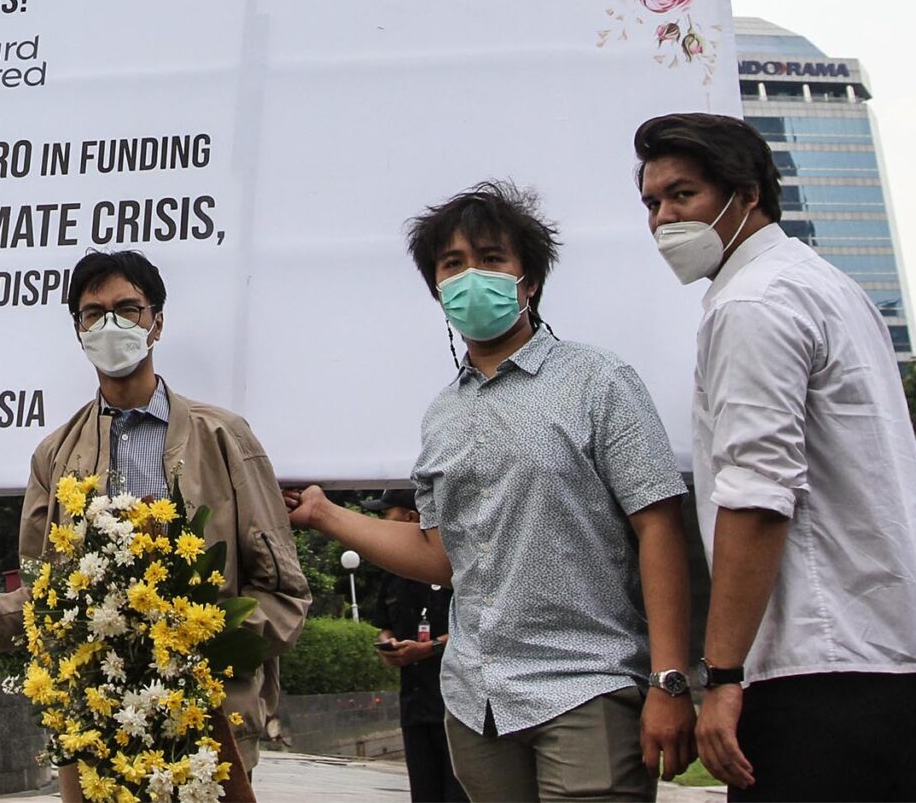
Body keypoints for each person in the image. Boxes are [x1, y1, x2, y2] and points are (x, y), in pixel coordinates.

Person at [289, 182, 696, 802]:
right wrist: (324, 514)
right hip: (476, 704)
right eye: (452, 265)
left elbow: (659, 527)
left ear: (527, 278)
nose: (470, 275)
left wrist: (669, 681)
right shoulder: (442, 415)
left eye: (491, 257)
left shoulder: (600, 380)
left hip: (587, 688)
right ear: (436, 289)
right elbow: (441, 555)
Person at [635, 114, 916, 802]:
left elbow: (757, 499)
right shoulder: (829, 286)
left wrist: (723, 676)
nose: (664, 218)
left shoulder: (753, 305)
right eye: (652, 203)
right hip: (905, 647)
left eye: (683, 195)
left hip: (824, 661)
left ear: (746, 194)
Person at [0, 248, 310, 789]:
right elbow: (42, 599)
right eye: (92, 312)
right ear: (77, 329)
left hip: (208, 718)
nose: (110, 324)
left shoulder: (223, 437)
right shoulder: (54, 456)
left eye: (128, 308)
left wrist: (196, 641)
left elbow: (285, 593)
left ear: (156, 322)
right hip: (97, 725)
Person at [370, 490, 461, 803]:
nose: (381, 520)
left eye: (386, 512)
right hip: (414, 705)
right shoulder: (393, 571)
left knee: (459, 794)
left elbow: (473, 628)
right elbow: (384, 625)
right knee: (424, 794)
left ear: (411, 517)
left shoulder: (454, 565)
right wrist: (388, 644)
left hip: (456, 707)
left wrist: (430, 648)